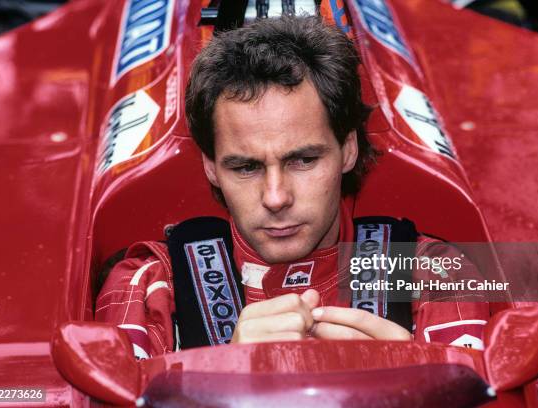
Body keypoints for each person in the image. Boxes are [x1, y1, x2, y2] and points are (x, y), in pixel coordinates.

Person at [95, 16, 489, 359]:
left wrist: (420, 378)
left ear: (348, 149)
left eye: (303, 160)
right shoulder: (148, 281)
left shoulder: (437, 271)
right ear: (211, 168)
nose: (276, 197)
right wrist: (226, 379)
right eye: (246, 167)